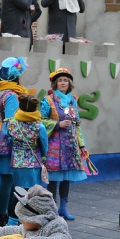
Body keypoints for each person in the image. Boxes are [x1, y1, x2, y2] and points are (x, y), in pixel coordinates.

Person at [40, 68, 86, 220]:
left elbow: (77, 124)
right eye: (59, 80)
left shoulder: (73, 100)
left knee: (66, 178)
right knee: (53, 179)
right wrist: (57, 124)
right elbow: (40, 121)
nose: (63, 83)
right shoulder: (48, 100)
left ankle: (63, 208)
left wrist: (81, 145)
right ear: (55, 83)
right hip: (54, 146)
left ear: (69, 83)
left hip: (70, 146)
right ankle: (52, 209)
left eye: (65, 80)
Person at [0, 56, 28, 227]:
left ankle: (4, 216)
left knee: (7, 179)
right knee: (8, 180)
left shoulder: (0, 91)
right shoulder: (11, 95)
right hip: (9, 140)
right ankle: (6, 216)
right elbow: (12, 121)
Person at [7, 94, 49, 193]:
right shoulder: (39, 126)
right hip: (33, 163)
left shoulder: (12, 123)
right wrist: (43, 156)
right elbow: (44, 145)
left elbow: (9, 140)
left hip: (16, 162)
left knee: (18, 191)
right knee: (33, 192)